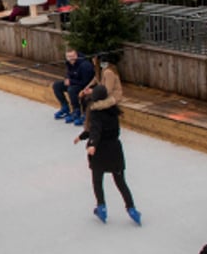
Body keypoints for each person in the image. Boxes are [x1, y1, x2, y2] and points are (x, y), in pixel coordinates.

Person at [75, 84, 141, 226]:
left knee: (97, 180)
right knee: (120, 181)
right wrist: (81, 136)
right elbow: (96, 129)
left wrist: (92, 144)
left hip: (101, 151)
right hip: (115, 150)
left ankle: (101, 207)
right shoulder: (112, 109)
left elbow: (96, 130)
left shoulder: (96, 113)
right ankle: (132, 209)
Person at [53, 49, 94, 126]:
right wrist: (67, 79)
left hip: (85, 85)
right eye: (68, 57)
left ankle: (77, 110)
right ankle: (65, 107)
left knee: (71, 90)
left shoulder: (84, 65)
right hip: (74, 82)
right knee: (57, 85)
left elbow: (86, 82)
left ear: (76, 55)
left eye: (72, 56)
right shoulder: (69, 63)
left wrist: (71, 82)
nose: (70, 59)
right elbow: (69, 74)